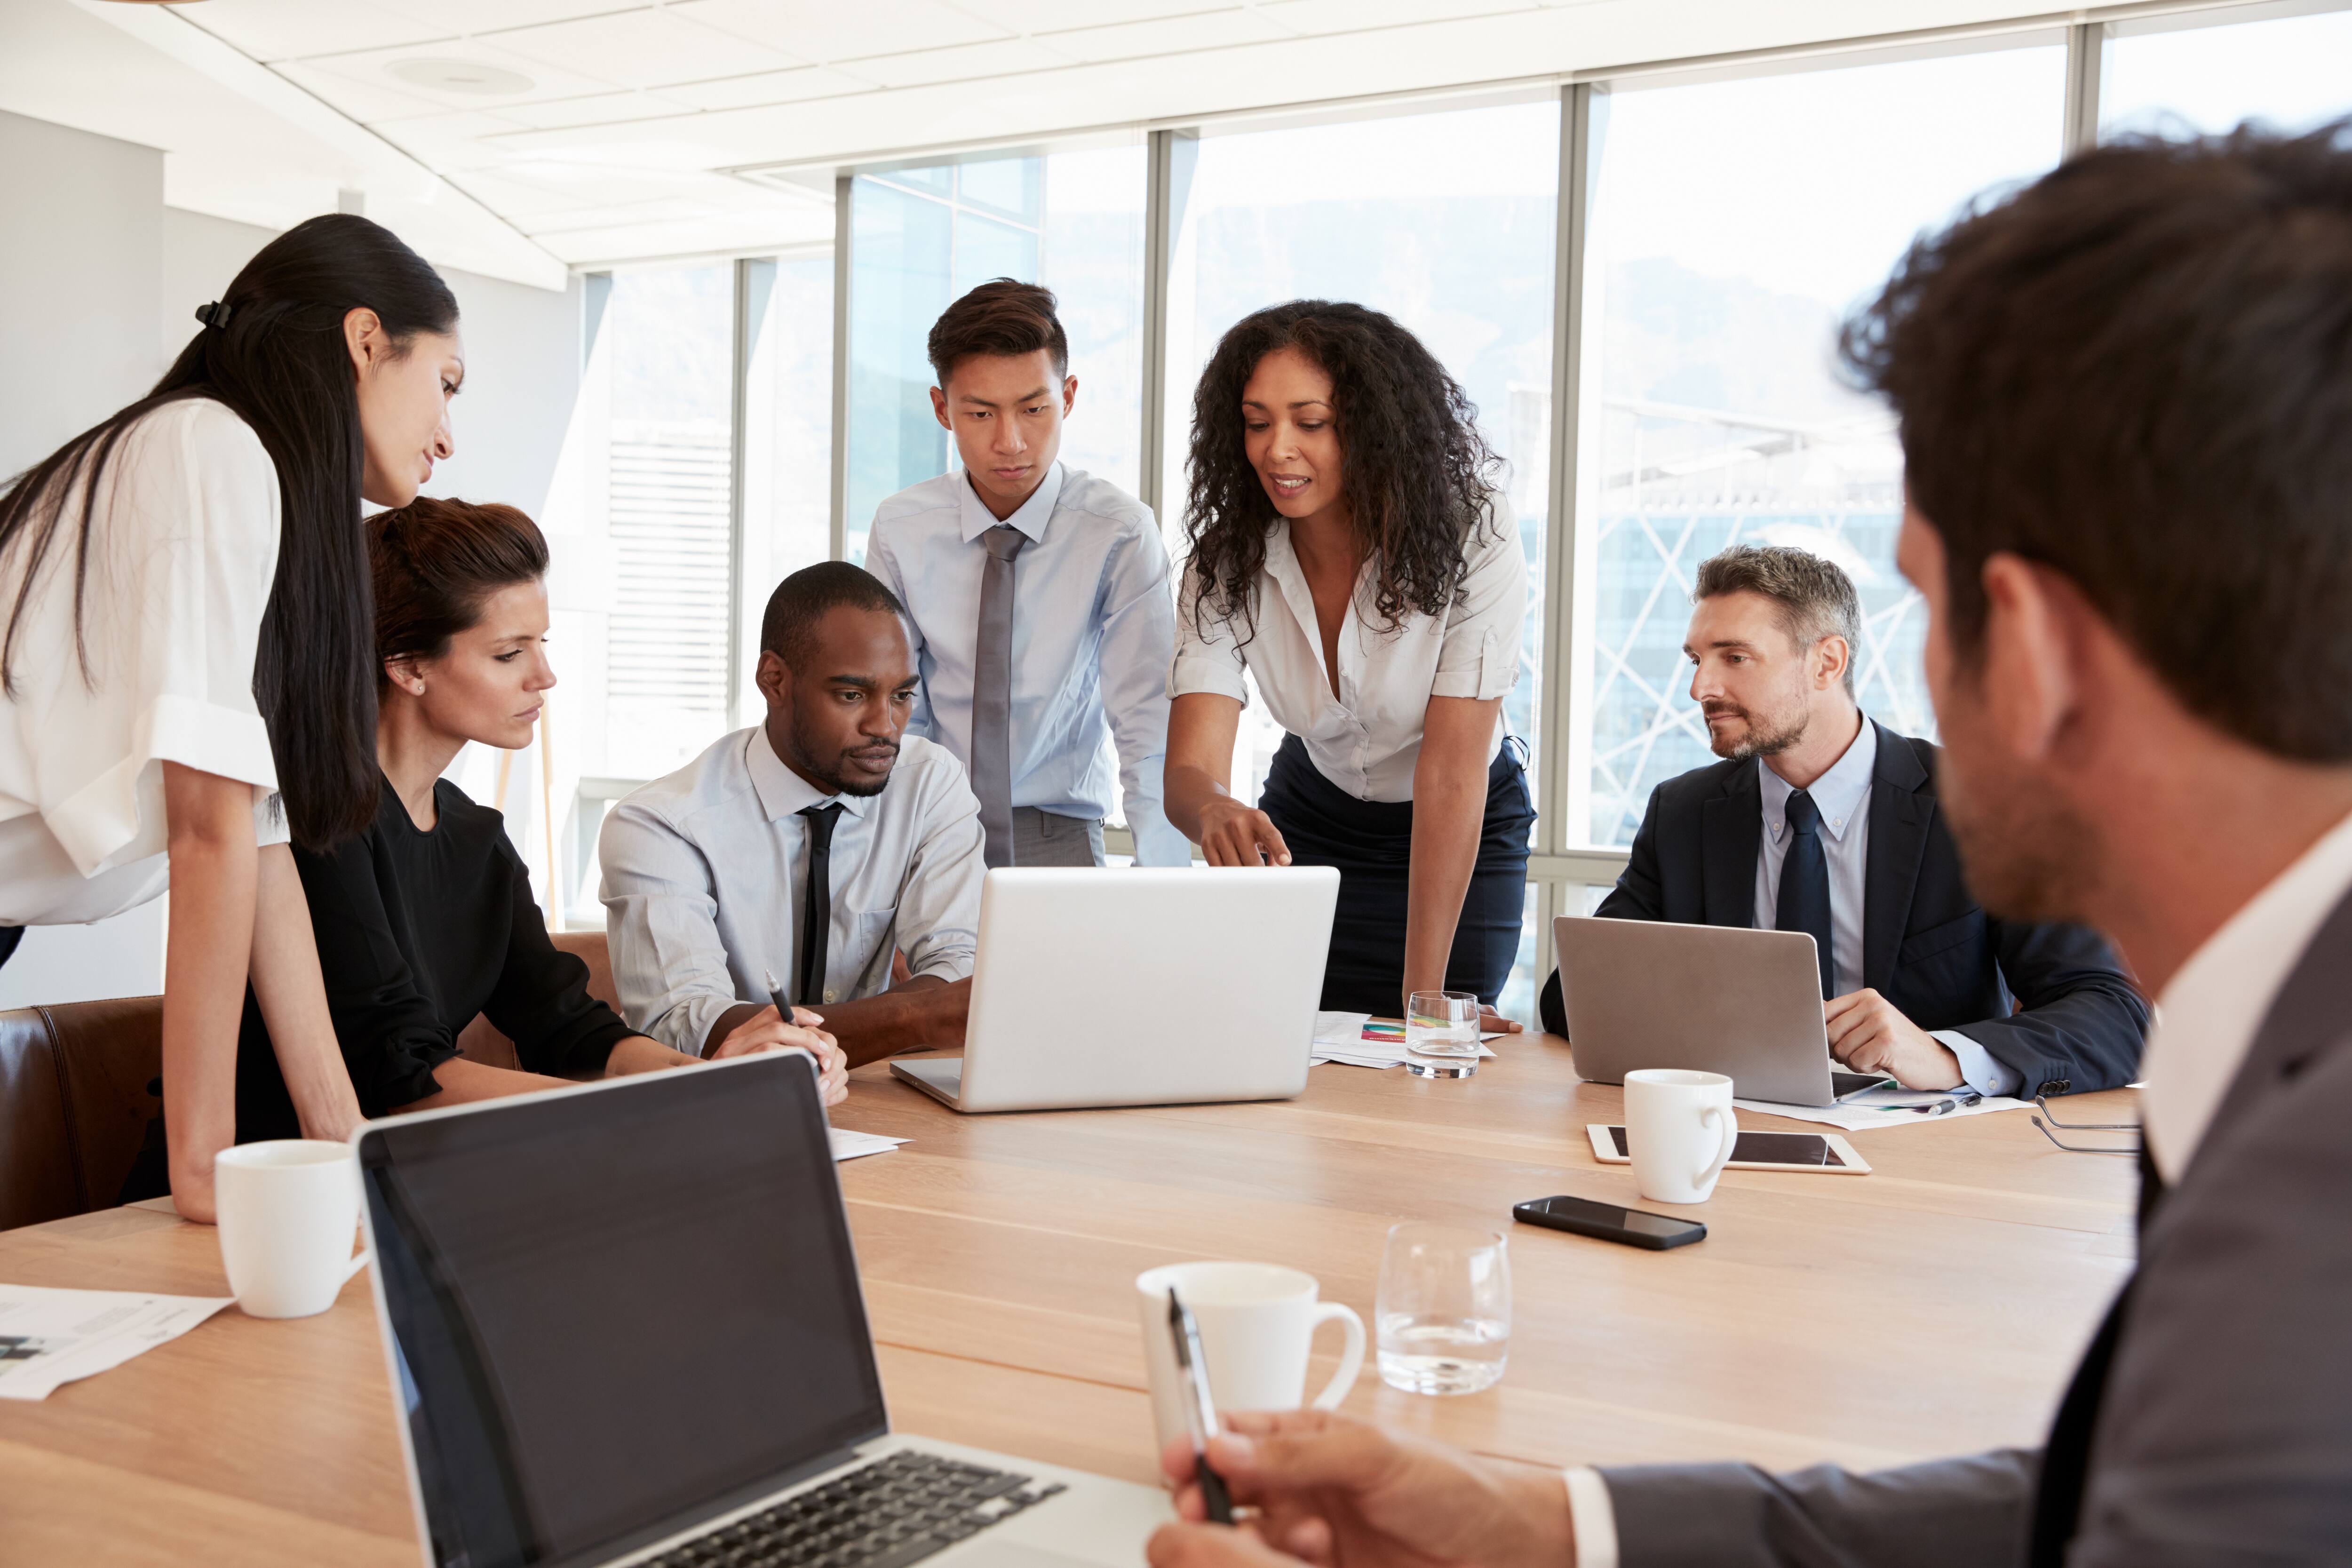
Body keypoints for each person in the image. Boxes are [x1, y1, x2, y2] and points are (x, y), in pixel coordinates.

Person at [1145, 122, 2352, 1568]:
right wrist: (1549, 1527)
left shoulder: (2309, 1178)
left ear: (2025, 645)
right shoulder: (2282, 1052)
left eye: (1919, 599)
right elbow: (2093, 1502)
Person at [0, 214, 461, 1222]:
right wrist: (205, 1168)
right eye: (446, 381)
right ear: (366, 339)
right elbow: (208, 830)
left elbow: (259, 841)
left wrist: (347, 1138)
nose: (446, 433)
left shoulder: (259, 485)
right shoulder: (210, 446)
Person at [220, 500, 843, 1155]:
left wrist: (719, 1079)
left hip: (390, 1179)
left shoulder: (475, 837)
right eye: (509, 653)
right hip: (260, 1194)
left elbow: (570, 1028)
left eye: (541, 644)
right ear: (407, 666)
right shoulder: (318, 824)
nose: (544, 676)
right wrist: (661, 1106)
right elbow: (405, 1078)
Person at [1535, 544, 2146, 1094]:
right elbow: (1575, 996)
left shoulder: (1987, 805)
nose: (1700, 687)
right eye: (1696, 658)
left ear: (1827, 663)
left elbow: (2111, 1013)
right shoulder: (1685, 812)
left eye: (1735, 657)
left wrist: (1947, 1055)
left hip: (1926, 1165)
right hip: (1732, 1134)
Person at [1164, 301, 1532, 1024]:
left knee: (1433, 1054)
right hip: (1312, 821)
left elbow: (1451, 769)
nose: (1277, 449)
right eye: (1257, 421)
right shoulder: (1222, 564)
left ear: (1372, 427)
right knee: (1291, 1042)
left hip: (1461, 826)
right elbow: (1187, 771)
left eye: (1311, 422)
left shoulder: (1473, 530)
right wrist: (1212, 807)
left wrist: (1422, 995)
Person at [600, 562, 983, 1067]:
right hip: (732, 1114)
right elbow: (685, 1027)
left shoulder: (929, 783)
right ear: (774, 680)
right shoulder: (660, 825)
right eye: (852, 695)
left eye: (902, 696)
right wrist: (912, 1017)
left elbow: (959, 966)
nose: (885, 726)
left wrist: (922, 1011)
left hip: (879, 1090)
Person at [866, 278, 1188, 869]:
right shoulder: (900, 529)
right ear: (942, 409)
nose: (1009, 442)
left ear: (1066, 396)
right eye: (981, 413)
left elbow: (1146, 722)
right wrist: (886, 860)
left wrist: (1161, 884)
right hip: (929, 830)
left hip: (1059, 833)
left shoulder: (1118, 532)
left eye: (1033, 409)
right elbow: (894, 713)